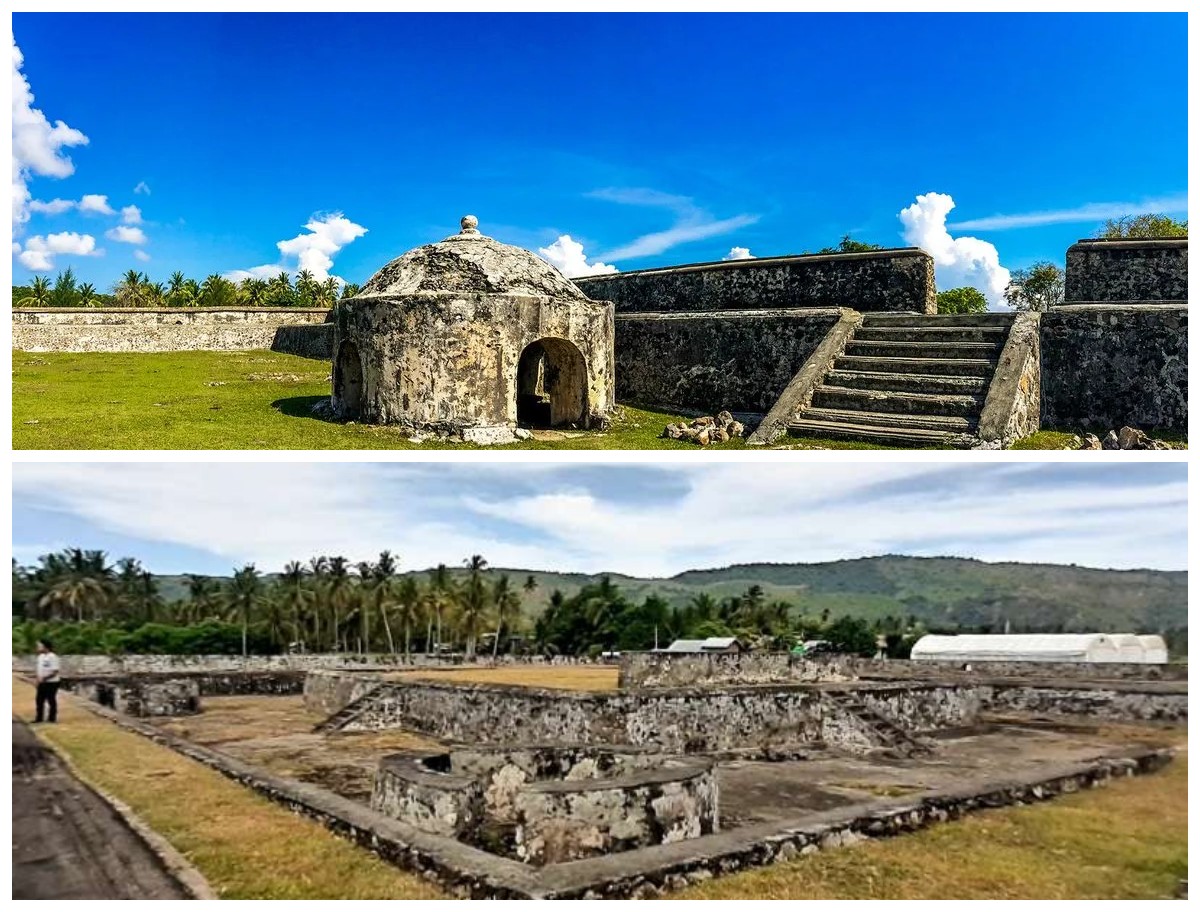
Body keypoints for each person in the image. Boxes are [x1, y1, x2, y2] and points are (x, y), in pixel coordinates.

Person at [34, 639, 61, 724]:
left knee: (51, 700)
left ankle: (52, 718)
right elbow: (39, 670)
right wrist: (38, 679)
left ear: (45, 647)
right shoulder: (40, 657)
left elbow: (55, 671)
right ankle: (39, 718)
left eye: (39, 646)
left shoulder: (53, 657)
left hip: (52, 682)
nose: (38, 647)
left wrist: (44, 678)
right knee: (39, 700)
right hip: (42, 682)